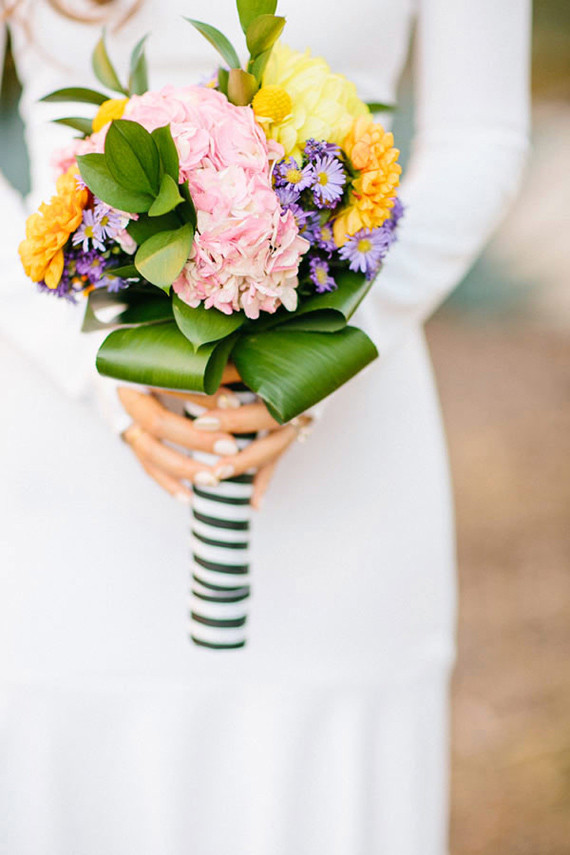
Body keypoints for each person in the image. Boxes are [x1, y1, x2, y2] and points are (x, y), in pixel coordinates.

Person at [0, 0, 530, 852]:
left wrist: (319, 349)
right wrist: (101, 365)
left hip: (349, 451)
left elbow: (483, 136)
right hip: (71, 449)